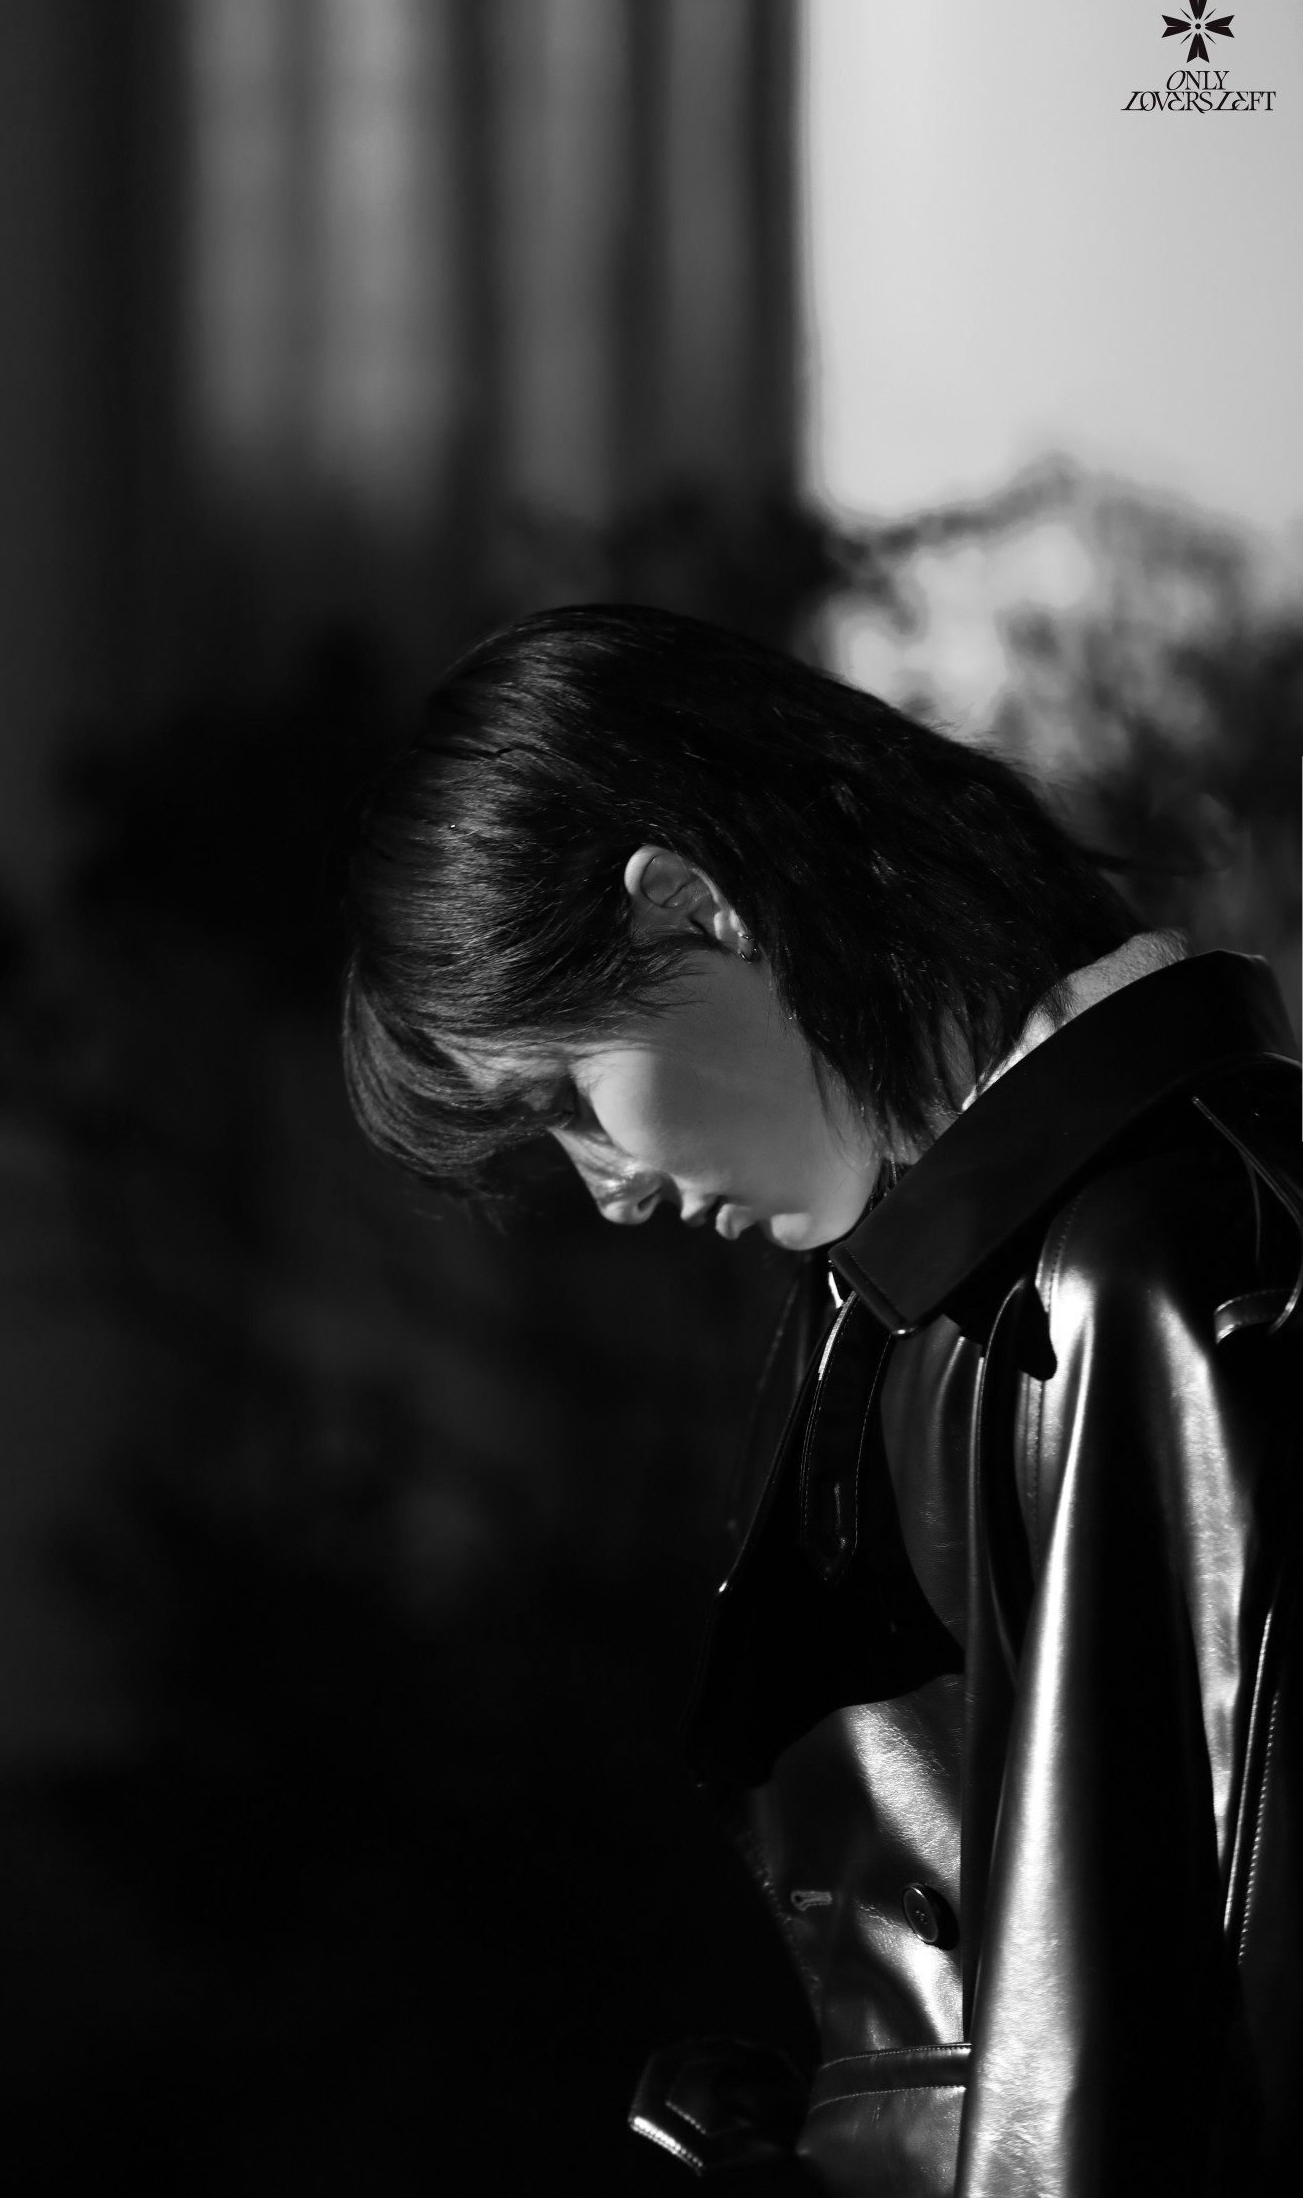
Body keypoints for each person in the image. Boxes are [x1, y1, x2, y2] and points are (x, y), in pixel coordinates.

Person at [340, 603, 1302, 2196]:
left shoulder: (1159, 1259)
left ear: (693, 902)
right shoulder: (918, 1294)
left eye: (568, 1097)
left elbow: (1214, 2035)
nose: (608, 1191)